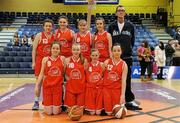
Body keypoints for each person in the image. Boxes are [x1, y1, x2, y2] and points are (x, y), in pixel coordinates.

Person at [107, 5, 142, 110]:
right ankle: (116, 99)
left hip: (126, 57)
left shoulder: (130, 26)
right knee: (113, 79)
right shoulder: (111, 26)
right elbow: (110, 41)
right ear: (116, 13)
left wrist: (127, 50)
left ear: (125, 13)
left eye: (122, 10)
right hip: (115, 58)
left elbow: (132, 41)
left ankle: (129, 100)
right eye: (119, 10)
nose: (121, 12)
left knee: (127, 79)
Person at [35, 41, 65, 115]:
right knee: (48, 112)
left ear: (60, 50)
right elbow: (41, 74)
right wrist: (37, 85)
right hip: (47, 87)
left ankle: (61, 106)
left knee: (55, 112)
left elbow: (64, 73)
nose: (55, 50)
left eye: (57, 48)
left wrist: (64, 85)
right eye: (54, 48)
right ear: (51, 49)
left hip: (57, 87)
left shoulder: (62, 59)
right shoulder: (45, 59)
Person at [32, 19, 55, 110]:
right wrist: (33, 62)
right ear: (43, 27)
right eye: (46, 26)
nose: (48, 27)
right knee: (38, 82)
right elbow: (34, 50)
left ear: (52, 27)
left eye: (50, 26)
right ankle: (36, 102)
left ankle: (47, 100)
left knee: (48, 83)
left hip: (50, 63)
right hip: (40, 61)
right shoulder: (39, 35)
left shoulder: (54, 37)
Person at [103, 43, 127, 115]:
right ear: (112, 52)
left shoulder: (124, 64)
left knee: (119, 112)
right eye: (115, 50)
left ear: (121, 51)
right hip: (106, 90)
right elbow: (100, 75)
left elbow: (123, 81)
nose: (116, 52)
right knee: (109, 113)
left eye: (118, 50)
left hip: (117, 91)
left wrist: (122, 95)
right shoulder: (107, 62)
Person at [64, 43, 86, 109]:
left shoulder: (84, 61)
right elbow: (64, 73)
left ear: (80, 51)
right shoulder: (67, 60)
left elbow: (86, 74)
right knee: (71, 111)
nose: (76, 51)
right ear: (71, 50)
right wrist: (66, 79)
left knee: (79, 111)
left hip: (81, 88)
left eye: (77, 50)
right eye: (74, 50)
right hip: (70, 88)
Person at [85, 49, 103, 115]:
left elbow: (104, 76)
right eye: (93, 55)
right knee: (92, 113)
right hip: (90, 89)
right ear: (90, 56)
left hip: (99, 89)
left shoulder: (102, 64)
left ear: (99, 55)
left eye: (96, 55)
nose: (94, 57)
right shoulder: (87, 65)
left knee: (98, 113)